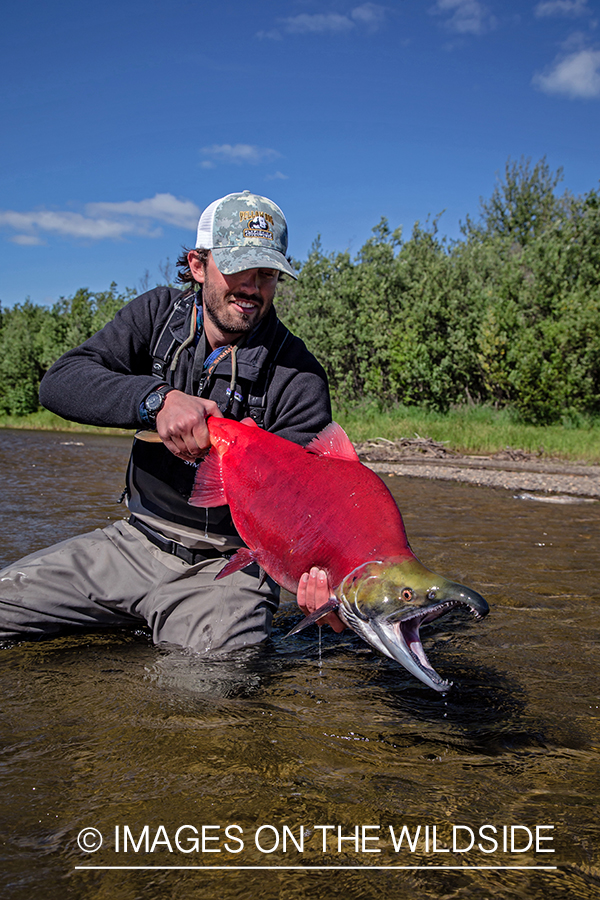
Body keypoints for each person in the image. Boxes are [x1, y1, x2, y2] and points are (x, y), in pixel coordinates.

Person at [0, 190, 342, 651]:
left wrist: (326, 579)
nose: (252, 286)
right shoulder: (158, 315)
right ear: (198, 265)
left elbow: (309, 511)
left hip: (226, 570)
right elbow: (61, 383)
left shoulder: (299, 377)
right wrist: (155, 400)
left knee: (207, 696)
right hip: (131, 542)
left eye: (267, 273)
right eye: (239, 266)